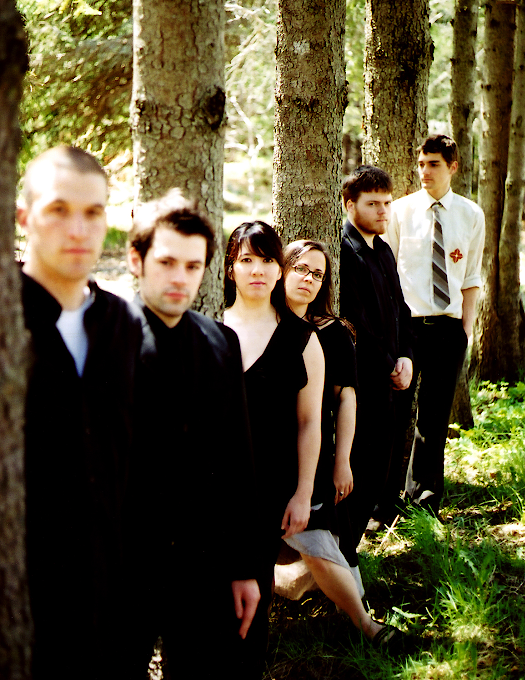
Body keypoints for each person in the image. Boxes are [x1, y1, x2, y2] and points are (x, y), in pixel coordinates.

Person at [17, 146, 143, 680]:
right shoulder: (6, 319)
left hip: (111, 596)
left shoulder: (121, 324)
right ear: (24, 217)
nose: (79, 230)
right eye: (58, 210)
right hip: (24, 594)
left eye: (93, 213)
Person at [124, 189, 261, 679]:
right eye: (166, 263)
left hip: (205, 563)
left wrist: (244, 567)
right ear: (137, 260)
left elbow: (238, 459)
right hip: (122, 566)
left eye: (192, 265)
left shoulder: (221, 341)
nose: (180, 277)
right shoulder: (104, 337)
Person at [283, 239, 409, 649]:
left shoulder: (332, 333)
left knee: (325, 542)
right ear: (282, 269)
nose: (308, 279)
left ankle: (360, 620)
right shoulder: (263, 325)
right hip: (263, 457)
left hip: (312, 458)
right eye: (300, 268)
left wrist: (342, 462)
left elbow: (346, 399)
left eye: (318, 274)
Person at [223, 222, 325, 667]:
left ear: (280, 270)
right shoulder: (208, 327)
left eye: (267, 260)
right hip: (210, 490)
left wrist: (303, 492)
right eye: (246, 259)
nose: (257, 270)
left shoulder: (303, 340)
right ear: (230, 269)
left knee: (251, 606)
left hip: (268, 493)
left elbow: (309, 422)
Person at [383, 134, 485, 517]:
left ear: (453, 166)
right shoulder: (400, 212)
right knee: (395, 413)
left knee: (435, 417)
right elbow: (388, 273)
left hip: (448, 328)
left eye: (434, 165)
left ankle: (424, 499)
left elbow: (471, 277)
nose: (424, 171)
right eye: (421, 164)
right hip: (407, 328)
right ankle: (384, 500)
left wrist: (465, 331)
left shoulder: (471, 215)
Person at [339, 166, 414, 551]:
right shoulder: (344, 251)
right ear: (349, 204)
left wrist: (406, 356)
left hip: (391, 380)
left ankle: (351, 552)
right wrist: (389, 365)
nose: (383, 211)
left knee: (380, 468)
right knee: (359, 469)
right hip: (362, 383)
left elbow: (401, 309)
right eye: (373, 204)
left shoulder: (382, 249)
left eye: (387, 203)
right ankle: (343, 555)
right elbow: (354, 321)